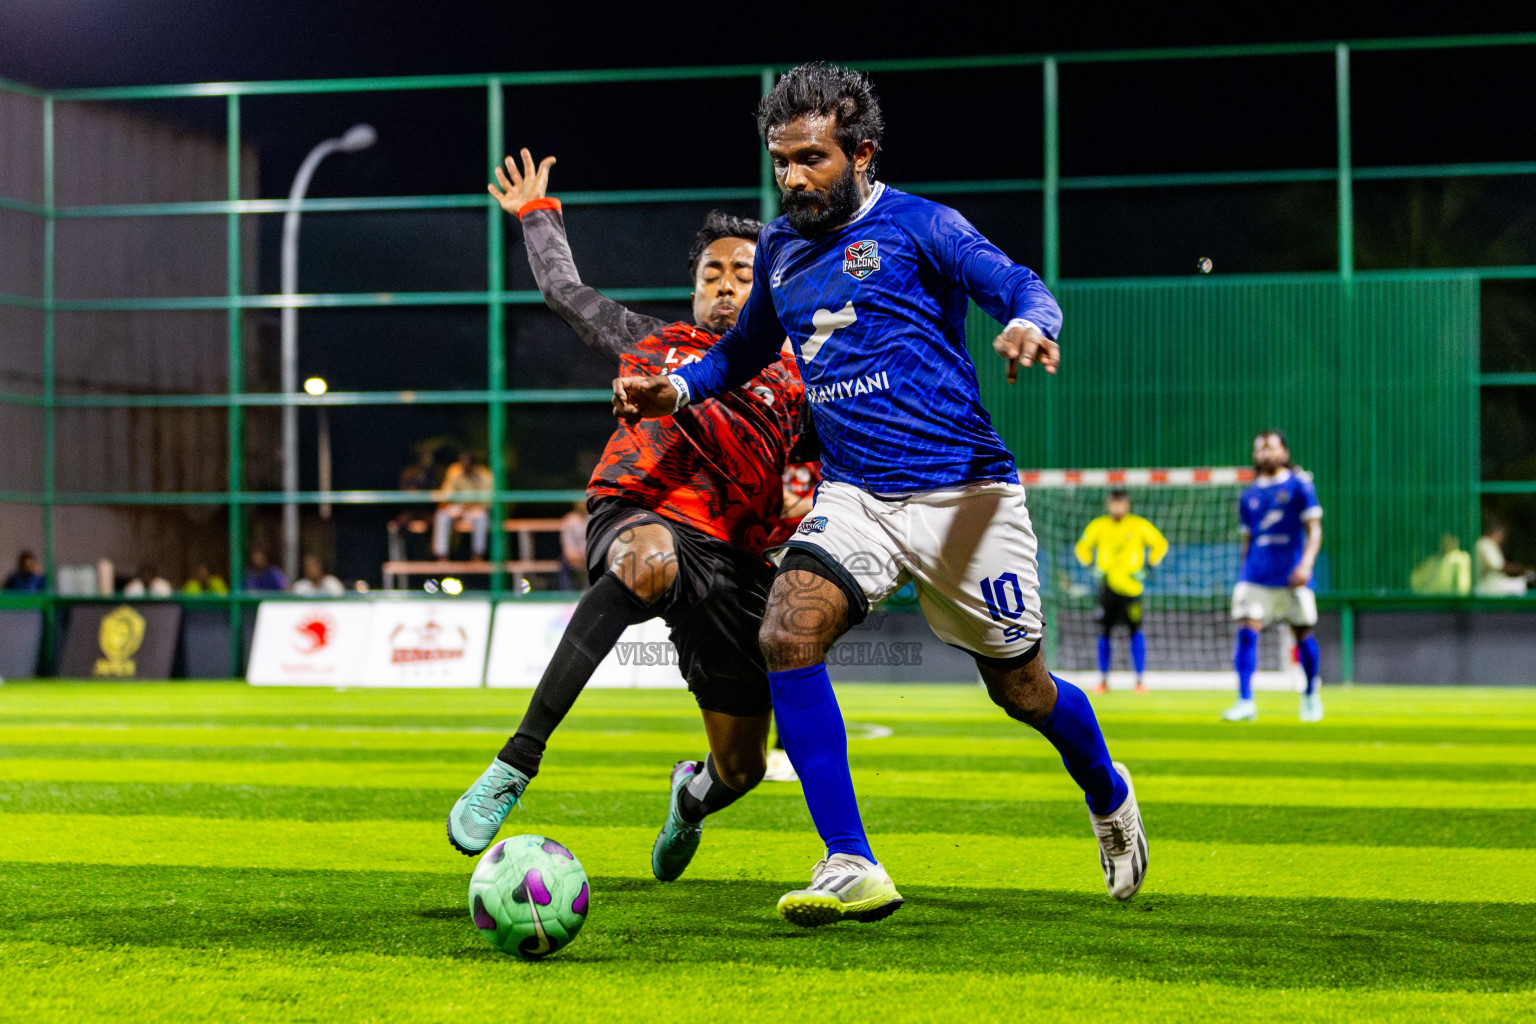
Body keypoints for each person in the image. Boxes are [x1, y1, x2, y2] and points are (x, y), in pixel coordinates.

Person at [613, 63, 1146, 925]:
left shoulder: (923, 226)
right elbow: (741, 354)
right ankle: (848, 860)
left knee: (1021, 690)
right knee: (788, 629)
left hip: (963, 496)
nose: (791, 178)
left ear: (861, 153)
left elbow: (1020, 284)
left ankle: (1107, 789)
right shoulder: (781, 251)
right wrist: (675, 392)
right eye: (781, 161)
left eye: (811, 159)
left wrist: (1029, 323)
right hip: (857, 494)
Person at [447, 149, 806, 888]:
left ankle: (692, 797)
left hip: (736, 563)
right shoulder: (656, 344)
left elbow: (841, 448)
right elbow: (565, 291)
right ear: (694, 287)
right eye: (713, 275)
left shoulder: (795, 378)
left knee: (740, 769)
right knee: (647, 559)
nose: (727, 288)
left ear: (769, 288)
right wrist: (536, 217)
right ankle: (516, 762)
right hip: (640, 511)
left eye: (744, 276)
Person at [1224, 430, 1324, 723]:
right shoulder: (1249, 494)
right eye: (1259, 449)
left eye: (1270, 448)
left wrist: (1306, 565)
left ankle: (1310, 694)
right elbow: (1247, 539)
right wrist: (1244, 573)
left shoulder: (1299, 486)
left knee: (1303, 635)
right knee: (1246, 632)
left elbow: (1314, 530)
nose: (1264, 454)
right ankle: (1245, 701)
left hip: (1292, 575)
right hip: (1256, 576)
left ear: (1283, 452)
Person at [1075, 489, 1168, 693]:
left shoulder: (1138, 525)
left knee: (1135, 631)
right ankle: (1102, 680)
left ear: (1127, 504)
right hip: (1106, 588)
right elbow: (1081, 547)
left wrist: (1148, 566)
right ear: (1108, 504)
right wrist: (1092, 566)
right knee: (1104, 632)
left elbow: (1160, 544)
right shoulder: (1099, 526)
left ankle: (1140, 681)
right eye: (1113, 502)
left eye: (1120, 502)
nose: (1117, 506)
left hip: (1131, 589)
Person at [432, 450, 494, 561]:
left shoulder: (484, 475)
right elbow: (446, 493)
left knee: (482, 517)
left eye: (467, 464)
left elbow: (488, 501)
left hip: (476, 508)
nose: (465, 466)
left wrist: (472, 507)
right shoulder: (455, 470)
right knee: (442, 515)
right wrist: (455, 507)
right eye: (462, 463)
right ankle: (442, 556)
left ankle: (477, 555)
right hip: (459, 507)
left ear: (473, 464)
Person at [1475, 521, 1531, 596]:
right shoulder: (1485, 544)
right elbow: (1497, 566)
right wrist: (1520, 569)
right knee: (1521, 585)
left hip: (1495, 584)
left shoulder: (1491, 545)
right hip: (1488, 586)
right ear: (1495, 533)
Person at [557, 500, 589, 591]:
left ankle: (592, 593)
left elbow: (595, 540)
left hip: (588, 553)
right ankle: (566, 594)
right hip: (573, 553)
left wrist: (586, 553)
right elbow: (566, 541)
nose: (583, 506)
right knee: (564, 562)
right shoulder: (570, 520)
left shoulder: (594, 518)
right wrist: (572, 554)